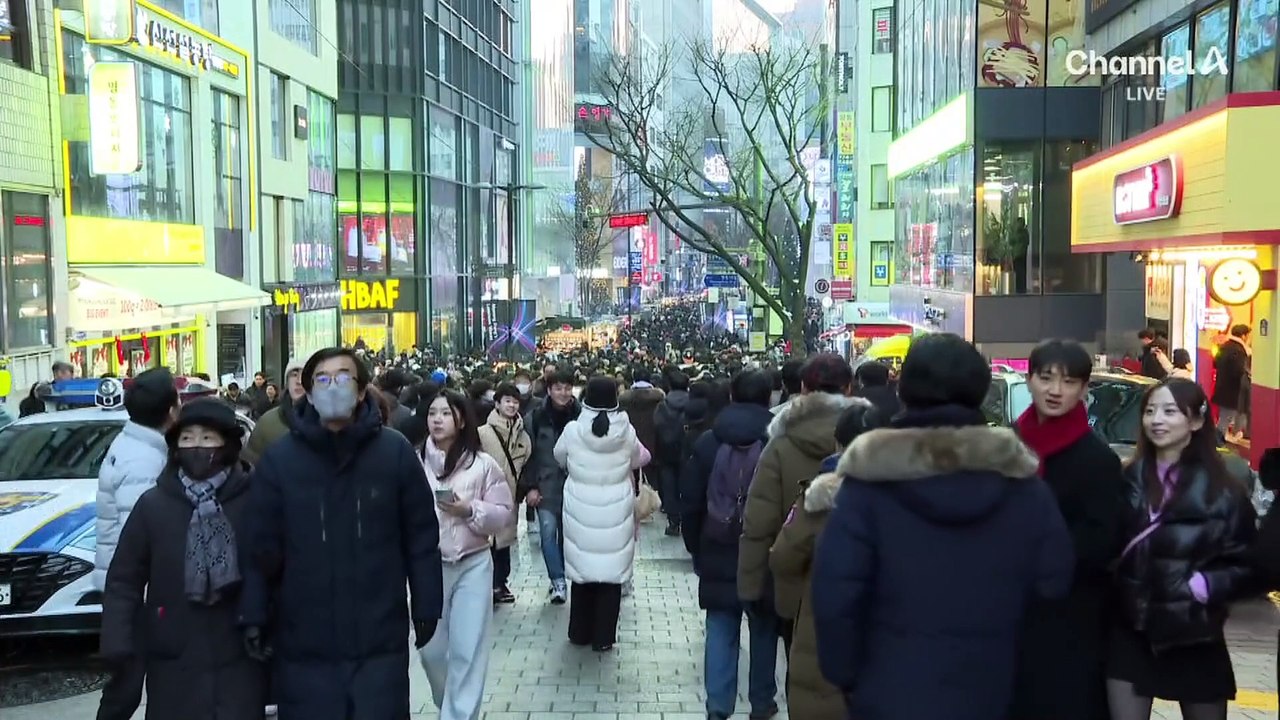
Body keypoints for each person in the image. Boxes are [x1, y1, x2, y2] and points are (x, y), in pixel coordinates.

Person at [811, 332, 1073, 720]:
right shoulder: (1023, 488)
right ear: (979, 391)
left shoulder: (868, 486)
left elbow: (836, 593)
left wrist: (847, 675)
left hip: (888, 691)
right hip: (995, 690)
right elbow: (1054, 584)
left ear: (904, 389)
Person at [239, 347, 443, 720]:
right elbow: (260, 544)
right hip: (304, 636)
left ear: (362, 390)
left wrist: (427, 602)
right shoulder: (281, 460)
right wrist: (254, 611)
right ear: (308, 391)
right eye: (322, 379)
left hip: (379, 632)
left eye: (343, 378)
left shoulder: (393, 453)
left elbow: (421, 536)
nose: (333, 387)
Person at [100, 399, 266, 720]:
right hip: (173, 654)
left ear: (228, 444)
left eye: (207, 438)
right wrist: (118, 640)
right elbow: (123, 580)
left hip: (240, 653)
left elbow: (277, 567)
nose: (196, 447)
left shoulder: (255, 499)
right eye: (187, 438)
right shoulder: (153, 505)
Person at [1106, 379, 1256, 720]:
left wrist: (1206, 587)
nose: (1156, 420)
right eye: (1150, 411)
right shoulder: (1126, 480)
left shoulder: (1224, 492)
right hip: (1132, 631)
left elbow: (1248, 564)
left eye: (1169, 411)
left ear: (1197, 421)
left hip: (1196, 636)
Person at [1009, 340, 1126, 720]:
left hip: (1073, 613)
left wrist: (1041, 557)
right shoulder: (1006, 447)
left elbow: (1103, 538)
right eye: (1046, 378)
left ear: (1084, 389)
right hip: (1008, 607)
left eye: (1069, 381)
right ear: (1029, 380)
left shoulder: (1097, 459)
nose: (1055, 390)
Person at [739, 353, 856, 659]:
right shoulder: (873, 437)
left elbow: (759, 521)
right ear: (848, 388)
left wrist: (751, 585)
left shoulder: (780, 443)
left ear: (803, 388)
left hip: (794, 582)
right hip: (860, 580)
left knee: (801, 665)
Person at [681, 369, 781, 720]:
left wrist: (696, 546)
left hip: (717, 545)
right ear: (769, 397)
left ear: (732, 396)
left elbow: (691, 500)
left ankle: (718, 705)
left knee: (720, 626)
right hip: (764, 549)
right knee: (764, 627)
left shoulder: (709, 441)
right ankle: (762, 701)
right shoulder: (777, 441)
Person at [770, 399, 880, 720]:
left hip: (821, 633)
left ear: (837, 443)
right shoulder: (904, 496)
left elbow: (783, 556)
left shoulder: (817, 498)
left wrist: (790, 603)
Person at [417, 389, 513, 720]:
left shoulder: (482, 464)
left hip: (473, 564)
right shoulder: (414, 462)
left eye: (446, 413)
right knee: (430, 652)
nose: (438, 420)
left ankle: (458, 715)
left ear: (461, 420)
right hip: (429, 567)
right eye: (432, 413)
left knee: (467, 650)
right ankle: (449, 704)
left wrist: (470, 510)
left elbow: (503, 514)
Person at [95, 367, 180, 720]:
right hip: (136, 593)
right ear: (171, 410)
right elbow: (142, 536)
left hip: (127, 589)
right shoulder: (143, 461)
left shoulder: (137, 445)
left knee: (129, 682)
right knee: (128, 685)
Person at [554, 376, 649, 652]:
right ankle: (604, 637)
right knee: (611, 574)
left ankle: (579, 632)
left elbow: (559, 456)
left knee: (582, 570)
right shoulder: (626, 431)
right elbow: (637, 459)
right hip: (616, 507)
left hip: (580, 505)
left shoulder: (573, 430)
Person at [519, 369, 581, 604]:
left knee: (568, 536)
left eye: (567, 388)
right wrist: (530, 487)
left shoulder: (581, 416)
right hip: (545, 486)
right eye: (558, 388)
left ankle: (563, 573)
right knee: (547, 533)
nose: (563, 393)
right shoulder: (535, 418)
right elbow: (528, 456)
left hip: (574, 486)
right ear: (549, 390)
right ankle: (557, 581)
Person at [476, 382, 531, 604]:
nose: (511, 405)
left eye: (515, 402)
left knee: (504, 542)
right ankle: (489, 585)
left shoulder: (523, 436)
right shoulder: (483, 433)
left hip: (510, 496)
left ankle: (500, 583)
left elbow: (527, 463)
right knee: (488, 542)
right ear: (497, 404)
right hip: (486, 496)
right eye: (507, 401)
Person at [242, 359, 304, 467]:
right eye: (294, 375)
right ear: (287, 382)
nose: (299, 381)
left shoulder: (328, 420)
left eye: (305, 375)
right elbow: (251, 463)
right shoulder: (267, 422)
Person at [653, 368, 692, 536]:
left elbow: (656, 426)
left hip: (666, 451)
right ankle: (687, 518)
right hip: (687, 449)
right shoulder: (692, 404)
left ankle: (673, 521)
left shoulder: (663, 405)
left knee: (669, 486)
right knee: (687, 484)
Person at [1211, 323, 1250, 442]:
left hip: (1221, 387)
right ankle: (1217, 442)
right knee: (1226, 418)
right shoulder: (1239, 350)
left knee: (1225, 416)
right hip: (1232, 390)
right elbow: (1238, 371)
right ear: (1243, 336)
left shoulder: (1224, 346)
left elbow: (1215, 363)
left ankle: (1221, 439)